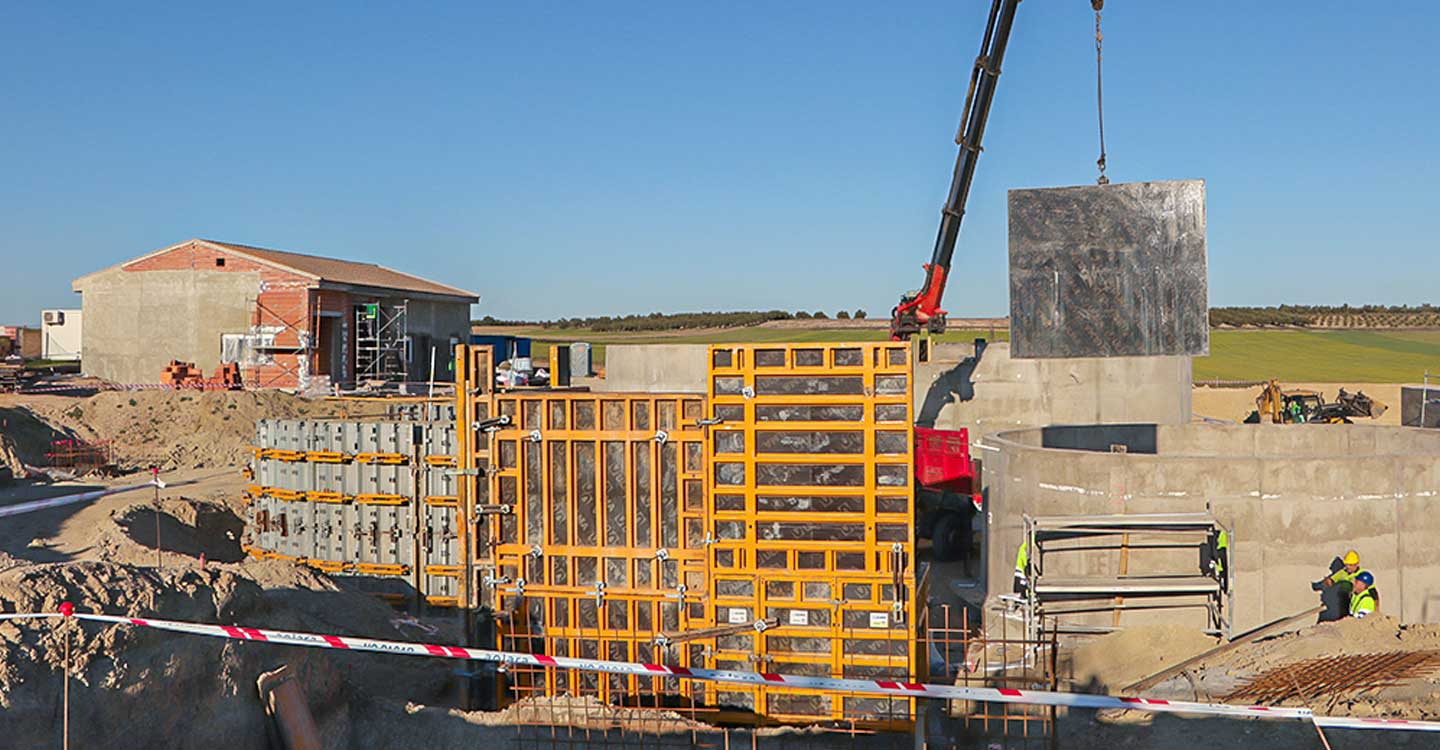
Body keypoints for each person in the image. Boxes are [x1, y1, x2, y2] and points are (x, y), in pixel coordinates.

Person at [1315, 549, 1368, 622]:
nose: (1348, 567)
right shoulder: (1343, 573)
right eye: (1346, 565)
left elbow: (1372, 592)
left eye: (1350, 565)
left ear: (1357, 564)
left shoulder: (1363, 575)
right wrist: (1326, 582)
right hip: (1343, 602)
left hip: (1359, 602)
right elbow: (1331, 580)